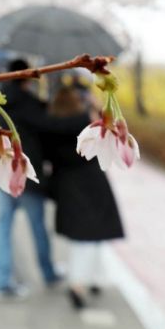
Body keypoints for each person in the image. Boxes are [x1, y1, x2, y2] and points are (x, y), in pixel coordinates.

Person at [0, 57, 90, 300]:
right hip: (27, 175)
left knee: (3, 226)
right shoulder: (29, 104)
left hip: (1, 173)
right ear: (27, 78)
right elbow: (52, 126)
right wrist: (84, 115)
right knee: (37, 228)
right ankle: (48, 273)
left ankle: (2, 280)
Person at [46, 81, 125, 309]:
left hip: (66, 186)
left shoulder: (49, 125)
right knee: (93, 235)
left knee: (82, 236)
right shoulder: (83, 122)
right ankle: (80, 283)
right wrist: (96, 105)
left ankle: (93, 278)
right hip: (92, 184)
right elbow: (106, 132)